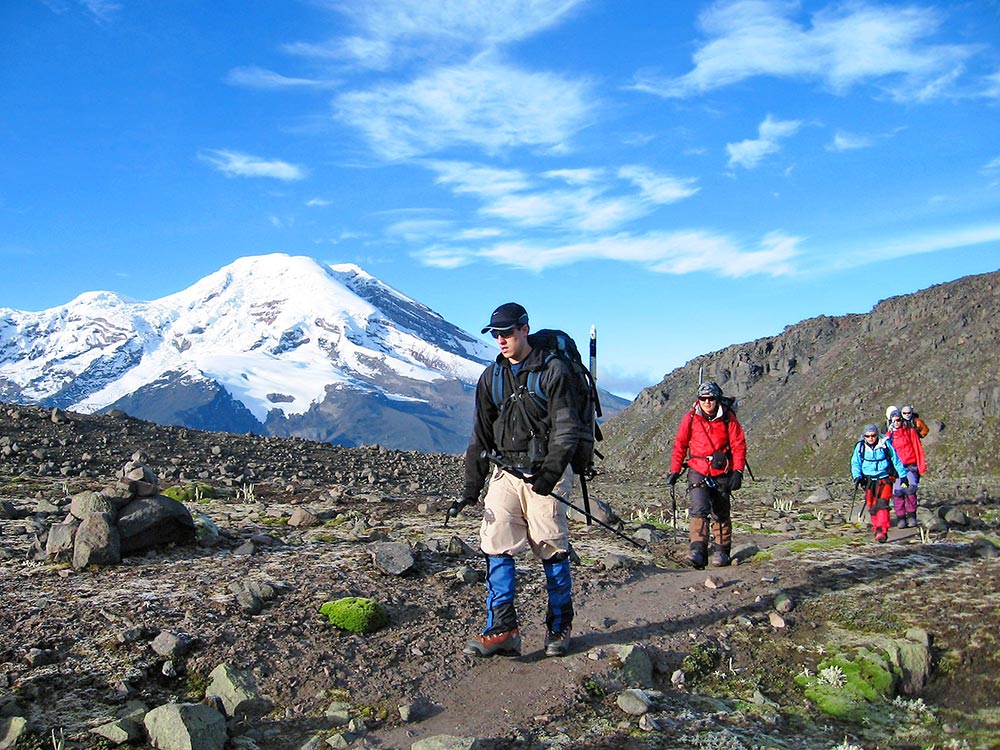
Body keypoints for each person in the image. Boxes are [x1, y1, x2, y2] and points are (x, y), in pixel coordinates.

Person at [451, 302, 583, 658]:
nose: (501, 340)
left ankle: (559, 627)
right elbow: (480, 438)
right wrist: (470, 488)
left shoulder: (553, 371)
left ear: (525, 328)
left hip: (545, 473)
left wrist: (550, 474)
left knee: (551, 547)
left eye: (507, 332)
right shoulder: (491, 378)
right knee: (495, 545)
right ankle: (502, 629)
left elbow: (567, 430)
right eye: (496, 334)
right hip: (505, 473)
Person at [667, 381, 747, 569]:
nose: (707, 402)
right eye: (703, 399)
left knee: (720, 511)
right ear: (699, 400)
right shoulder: (691, 418)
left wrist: (738, 471)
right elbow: (680, 444)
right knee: (699, 509)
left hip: (722, 471)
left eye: (711, 398)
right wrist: (674, 470)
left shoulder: (729, 418)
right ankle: (697, 550)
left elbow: (738, 445)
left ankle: (722, 551)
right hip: (698, 469)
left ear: (717, 399)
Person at [850, 424, 907, 543]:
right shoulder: (860, 447)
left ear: (877, 434)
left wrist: (903, 476)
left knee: (883, 504)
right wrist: (857, 477)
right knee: (872, 505)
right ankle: (877, 529)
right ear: (864, 436)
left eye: (873, 435)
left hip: (885, 478)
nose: (871, 438)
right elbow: (855, 463)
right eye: (868, 436)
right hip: (868, 481)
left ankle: (882, 530)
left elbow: (895, 459)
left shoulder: (885, 444)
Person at [887, 409, 927, 528]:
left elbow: (918, 448)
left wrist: (921, 466)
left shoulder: (910, 432)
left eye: (899, 420)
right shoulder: (889, 436)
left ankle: (911, 517)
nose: (897, 422)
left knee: (910, 490)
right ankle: (901, 518)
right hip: (897, 469)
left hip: (910, 466)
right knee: (898, 492)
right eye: (894, 421)